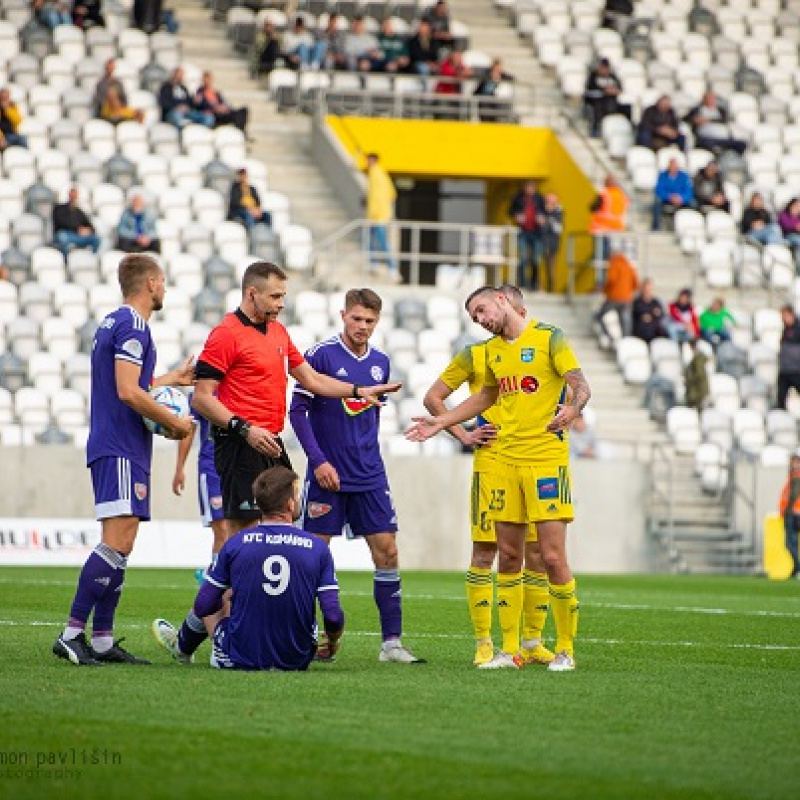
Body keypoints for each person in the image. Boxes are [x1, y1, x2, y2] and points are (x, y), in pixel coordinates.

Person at [162, 263, 399, 661]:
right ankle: (213, 639)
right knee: (237, 545)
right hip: (239, 444)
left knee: (274, 538)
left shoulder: (278, 332)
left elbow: (315, 382)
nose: (280, 303)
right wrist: (243, 428)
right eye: (275, 296)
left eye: (283, 297)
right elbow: (202, 398)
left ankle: (198, 636)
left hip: (271, 444)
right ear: (251, 294)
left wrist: (359, 388)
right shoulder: (224, 334)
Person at [407, 286, 591, 671]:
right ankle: (508, 652)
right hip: (503, 461)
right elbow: (485, 398)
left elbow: (580, 384)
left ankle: (566, 650)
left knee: (552, 556)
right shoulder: (489, 352)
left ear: (502, 301)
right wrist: (442, 422)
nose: (481, 319)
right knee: (508, 555)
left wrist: (573, 409)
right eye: (475, 317)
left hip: (544, 460)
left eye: (482, 310)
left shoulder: (550, 337)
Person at [52, 253, 194, 667]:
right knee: (116, 541)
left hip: (125, 445)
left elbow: (137, 382)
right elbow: (129, 392)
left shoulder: (117, 323)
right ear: (150, 283)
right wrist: (175, 423)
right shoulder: (133, 324)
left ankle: (101, 639)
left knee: (124, 542)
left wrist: (171, 381)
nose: (164, 288)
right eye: (163, 281)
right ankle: (71, 633)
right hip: (118, 445)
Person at [289, 288, 423, 664]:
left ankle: (391, 644)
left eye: (369, 321)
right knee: (310, 557)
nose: (362, 326)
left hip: (369, 474)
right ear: (343, 314)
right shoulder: (321, 355)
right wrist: (317, 461)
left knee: (388, 552)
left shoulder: (380, 362)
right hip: (327, 475)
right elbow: (297, 412)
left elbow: (369, 417)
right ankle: (305, 637)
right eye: (356, 318)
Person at [153, 465, 345, 669]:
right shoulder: (317, 547)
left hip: (237, 657)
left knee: (213, 584)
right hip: (296, 659)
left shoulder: (236, 544)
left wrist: (228, 604)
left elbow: (203, 606)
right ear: (290, 504)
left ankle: (182, 647)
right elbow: (333, 615)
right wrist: (332, 642)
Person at [172, 390, 228, 584]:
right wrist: (179, 468)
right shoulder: (201, 392)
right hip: (211, 468)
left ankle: (214, 575)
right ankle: (214, 581)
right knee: (222, 528)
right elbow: (189, 432)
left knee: (237, 527)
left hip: (236, 467)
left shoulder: (240, 383)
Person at [365, 153, 399, 281]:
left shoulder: (375, 174)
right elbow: (392, 193)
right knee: (373, 241)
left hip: (378, 216)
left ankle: (391, 268)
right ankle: (376, 265)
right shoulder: (382, 174)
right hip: (384, 214)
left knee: (381, 242)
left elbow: (376, 196)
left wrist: (373, 214)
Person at [509, 180, 545, 291]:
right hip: (523, 232)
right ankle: (523, 284)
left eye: (531, 187)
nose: (529, 189)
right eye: (528, 187)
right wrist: (516, 216)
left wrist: (542, 218)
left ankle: (534, 284)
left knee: (536, 259)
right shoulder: (518, 198)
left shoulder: (539, 199)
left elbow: (545, 213)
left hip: (536, 233)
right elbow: (510, 211)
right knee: (523, 259)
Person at [594, 251, 638, 342]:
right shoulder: (629, 266)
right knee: (624, 320)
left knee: (600, 316)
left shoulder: (614, 264)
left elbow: (611, 280)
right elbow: (635, 283)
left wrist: (605, 291)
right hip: (626, 299)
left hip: (614, 298)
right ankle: (625, 340)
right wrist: (627, 292)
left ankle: (609, 337)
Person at [589, 174, 629, 275]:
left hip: (602, 230)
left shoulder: (604, 194)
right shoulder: (622, 195)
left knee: (601, 258)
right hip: (618, 231)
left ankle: (601, 283)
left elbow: (593, 207)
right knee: (613, 259)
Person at [685, 91, 746, 156]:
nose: (711, 101)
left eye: (712, 99)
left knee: (742, 144)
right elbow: (687, 119)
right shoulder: (697, 110)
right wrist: (695, 120)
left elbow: (725, 120)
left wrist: (709, 120)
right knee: (709, 145)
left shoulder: (720, 110)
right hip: (706, 137)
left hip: (723, 138)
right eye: (708, 99)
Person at [583, 58, 630, 136]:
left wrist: (615, 91)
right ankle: (595, 129)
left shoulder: (612, 77)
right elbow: (589, 92)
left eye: (606, 68)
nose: (604, 70)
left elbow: (620, 89)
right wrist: (603, 91)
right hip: (596, 102)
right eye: (602, 68)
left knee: (627, 107)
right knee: (597, 108)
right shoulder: (593, 77)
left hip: (612, 101)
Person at [52, 186, 101, 257]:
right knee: (62, 237)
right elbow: (61, 223)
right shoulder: (59, 209)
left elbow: (90, 225)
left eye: (75, 195)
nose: (74, 197)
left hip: (78, 236)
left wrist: (88, 230)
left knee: (96, 239)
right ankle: (66, 260)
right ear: (69, 195)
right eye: (72, 195)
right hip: (66, 234)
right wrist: (77, 229)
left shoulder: (79, 211)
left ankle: (92, 258)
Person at [652, 157, 694, 231]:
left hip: (680, 199)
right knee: (657, 201)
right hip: (667, 199)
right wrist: (670, 197)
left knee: (693, 203)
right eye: (672, 166)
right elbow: (659, 190)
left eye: (675, 166)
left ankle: (690, 226)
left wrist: (681, 198)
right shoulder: (663, 175)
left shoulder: (684, 176)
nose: (673, 168)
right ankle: (656, 227)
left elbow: (688, 191)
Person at [779, 454, 800, 579]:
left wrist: (788, 509)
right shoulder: (793, 476)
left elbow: (794, 494)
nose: (791, 464)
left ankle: (797, 566)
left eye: (793, 461)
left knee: (790, 543)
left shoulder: (796, 476)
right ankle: (796, 568)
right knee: (792, 542)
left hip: (793, 514)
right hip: (794, 512)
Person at [474, 59, 512, 123]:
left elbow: (512, 79)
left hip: (498, 106)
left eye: (498, 69)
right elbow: (477, 92)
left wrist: (498, 80)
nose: (496, 71)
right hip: (485, 105)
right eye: (495, 69)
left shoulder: (504, 77)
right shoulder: (486, 78)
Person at [778, 305, 800, 410]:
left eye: (785, 316)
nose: (783, 319)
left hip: (797, 370)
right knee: (781, 397)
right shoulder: (786, 329)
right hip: (785, 370)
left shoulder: (798, 328)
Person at [540, 193, 563, 293]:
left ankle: (551, 289)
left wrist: (549, 219)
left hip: (552, 244)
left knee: (551, 268)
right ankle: (541, 287)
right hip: (543, 242)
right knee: (542, 266)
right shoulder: (542, 211)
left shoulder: (558, 213)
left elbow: (558, 229)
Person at [632, 278, 667, 343]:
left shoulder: (656, 302)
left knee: (664, 332)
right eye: (646, 288)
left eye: (649, 289)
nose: (647, 291)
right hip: (641, 329)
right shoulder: (637, 302)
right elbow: (640, 313)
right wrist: (651, 314)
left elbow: (660, 314)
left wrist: (655, 315)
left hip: (654, 328)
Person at [683, 339, 709, 411]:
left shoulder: (698, 359)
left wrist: (689, 379)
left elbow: (699, 374)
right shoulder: (697, 358)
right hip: (699, 389)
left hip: (698, 390)